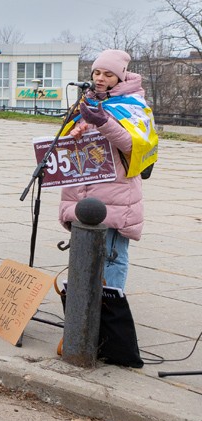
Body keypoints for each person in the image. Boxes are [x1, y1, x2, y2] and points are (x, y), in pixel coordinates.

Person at [58, 49, 154, 290]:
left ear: (121, 78)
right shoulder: (87, 101)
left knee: (112, 256)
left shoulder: (133, 105)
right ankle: (84, 308)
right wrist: (76, 132)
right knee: (84, 257)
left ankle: (110, 307)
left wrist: (103, 122)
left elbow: (132, 144)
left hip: (116, 192)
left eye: (108, 74)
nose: (100, 78)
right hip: (83, 190)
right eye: (97, 72)